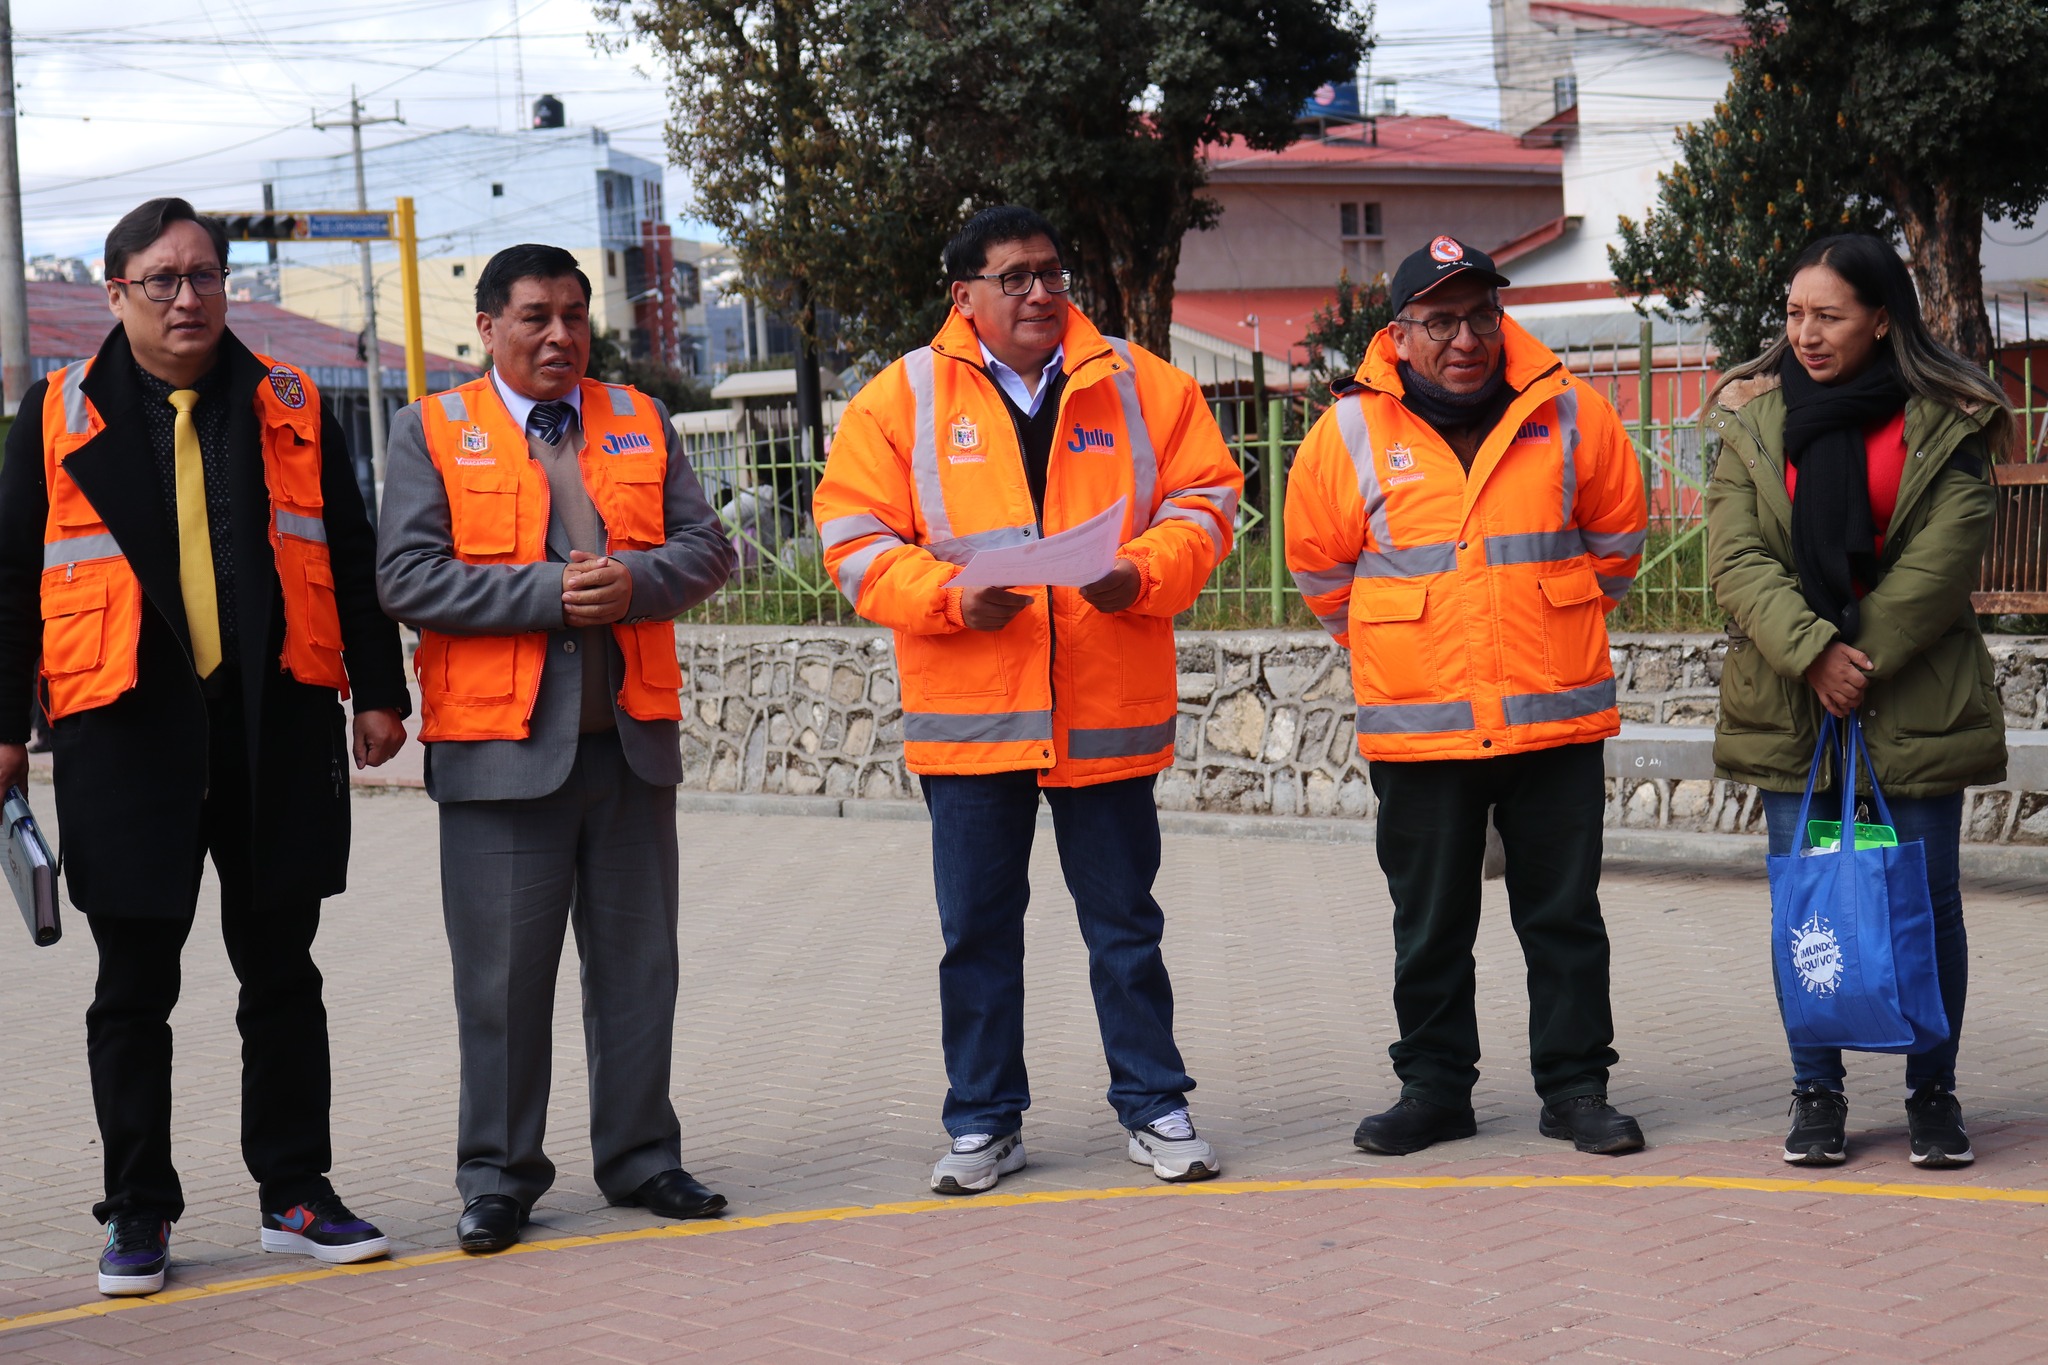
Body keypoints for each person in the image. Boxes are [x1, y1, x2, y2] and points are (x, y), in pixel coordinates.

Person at [0, 198, 411, 1296]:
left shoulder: (286, 402)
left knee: (282, 974)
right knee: (133, 987)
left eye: (206, 277)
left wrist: (379, 690)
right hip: (124, 734)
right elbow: (6, 588)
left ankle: (294, 1193)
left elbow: (349, 542)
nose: (189, 298)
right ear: (115, 290)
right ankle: (137, 1210)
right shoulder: (55, 416)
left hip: (271, 724)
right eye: (163, 280)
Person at [813, 205, 1243, 1194]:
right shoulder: (899, 400)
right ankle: (981, 1121)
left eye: (1051, 273)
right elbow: (853, 540)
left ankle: (1154, 1105)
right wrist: (951, 595)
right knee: (975, 934)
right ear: (960, 293)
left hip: (1104, 709)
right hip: (972, 716)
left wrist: (1137, 572)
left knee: (1123, 928)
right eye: (1014, 277)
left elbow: (1207, 500)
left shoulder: (1142, 385)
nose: (1041, 293)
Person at [376, 244, 735, 1254]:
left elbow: (705, 548)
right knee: (500, 982)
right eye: (534, 315)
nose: (559, 335)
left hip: (627, 750)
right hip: (500, 757)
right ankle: (497, 1177)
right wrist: (546, 596)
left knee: (638, 968)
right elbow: (405, 576)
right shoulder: (430, 429)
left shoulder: (636, 416)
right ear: (486, 328)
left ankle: (641, 1159)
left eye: (573, 315)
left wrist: (634, 585)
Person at [1286, 235, 1649, 1158]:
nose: (1466, 338)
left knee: (1563, 916)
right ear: (1399, 336)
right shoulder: (1349, 434)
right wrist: (1413, 640)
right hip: (1422, 727)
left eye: (1481, 314)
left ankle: (1575, 1087)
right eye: (1441, 321)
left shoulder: (1571, 412)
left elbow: (1616, 548)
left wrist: (1539, 620)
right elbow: (1323, 576)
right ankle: (1435, 1087)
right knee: (1432, 920)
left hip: (1553, 715)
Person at [1704, 233, 2011, 1170]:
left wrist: (1854, 657)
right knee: (1808, 904)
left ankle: (1932, 1091)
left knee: (1926, 901)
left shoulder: (1946, 424)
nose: (1806, 332)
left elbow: (1941, 564)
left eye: (1829, 315)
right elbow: (1736, 559)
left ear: (1882, 318)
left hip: (1911, 695)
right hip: (1793, 702)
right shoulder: (1754, 424)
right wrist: (1811, 655)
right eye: (1795, 313)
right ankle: (1817, 1091)